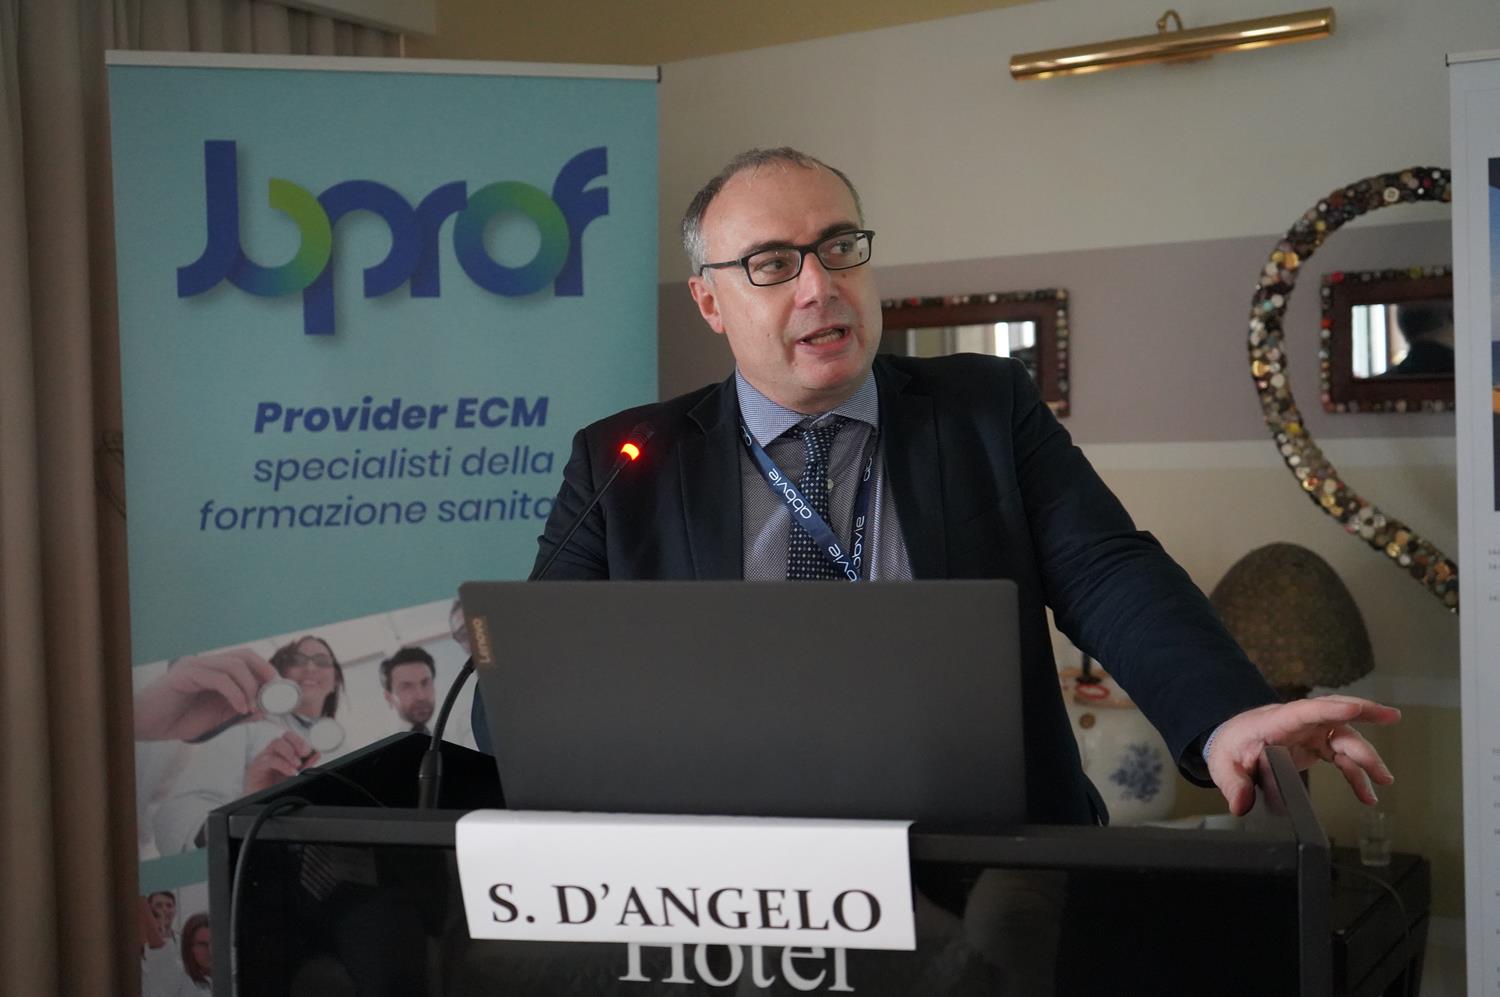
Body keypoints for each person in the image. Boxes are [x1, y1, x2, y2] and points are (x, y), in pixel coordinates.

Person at [486, 147, 1398, 824]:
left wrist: (1228, 716)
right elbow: (523, 704)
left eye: (839, 247)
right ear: (710, 301)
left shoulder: (984, 408)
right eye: (771, 263)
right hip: (743, 889)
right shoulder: (623, 463)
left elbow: (1110, 572)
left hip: (991, 867)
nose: (818, 287)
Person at [152, 636, 347, 853]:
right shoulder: (246, 726)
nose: (310, 667)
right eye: (297, 660)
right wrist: (251, 810)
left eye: (321, 661)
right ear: (282, 673)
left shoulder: (346, 749)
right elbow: (176, 817)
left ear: (335, 680)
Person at [380, 646, 437, 735]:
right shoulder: (382, 743)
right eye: (406, 687)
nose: (421, 696)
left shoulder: (456, 736)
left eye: (425, 683)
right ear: (389, 697)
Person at [174, 913, 212, 995]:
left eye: (214, 942)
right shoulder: (181, 983)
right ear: (189, 948)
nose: (210, 950)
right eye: (202, 944)